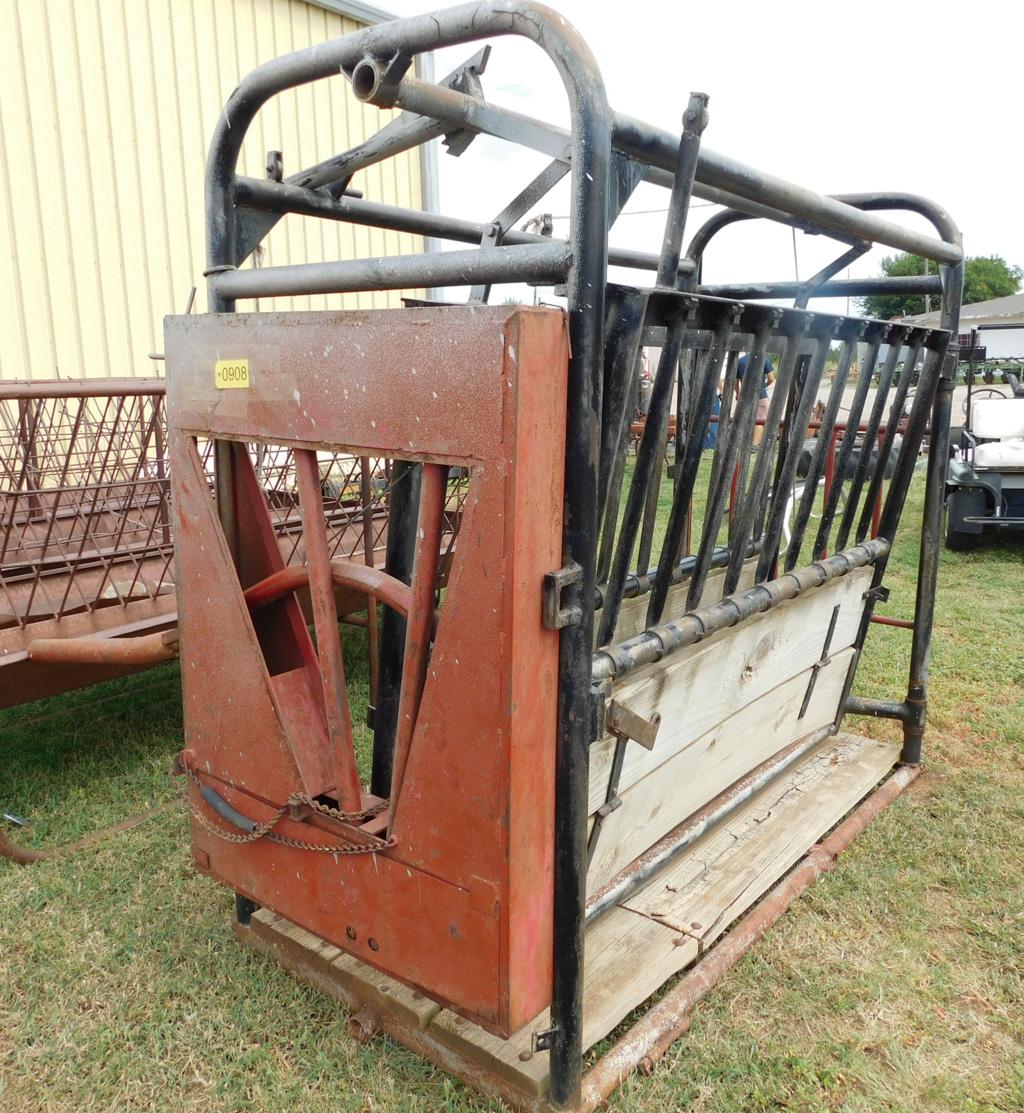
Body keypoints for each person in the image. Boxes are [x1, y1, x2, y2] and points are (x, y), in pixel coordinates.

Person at [735, 353, 776, 445]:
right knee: (760, 419)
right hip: (760, 394)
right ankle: (754, 444)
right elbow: (771, 378)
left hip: (744, 396)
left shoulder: (740, 361)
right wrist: (764, 386)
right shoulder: (764, 359)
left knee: (746, 418)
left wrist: (738, 394)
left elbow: (735, 382)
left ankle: (744, 442)